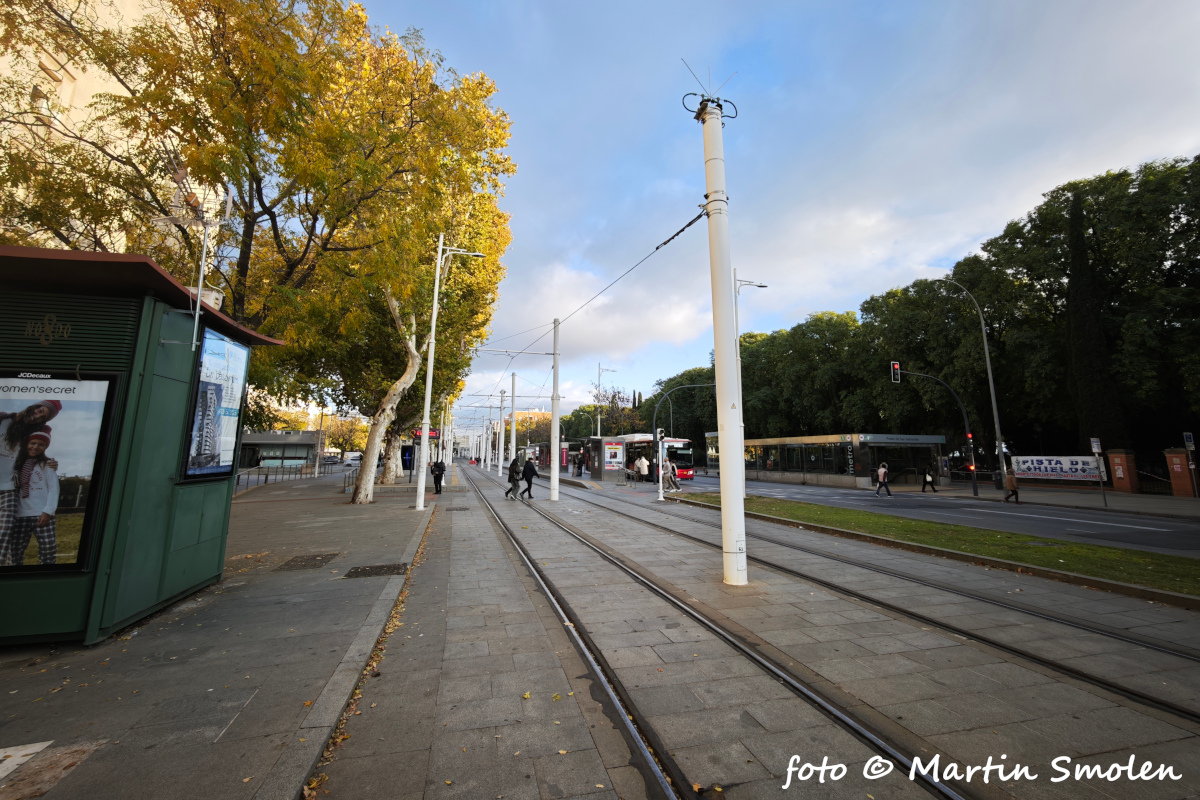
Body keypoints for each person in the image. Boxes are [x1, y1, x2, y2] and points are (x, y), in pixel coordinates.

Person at [0, 400, 60, 564]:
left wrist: (50, 462)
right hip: (19, 508)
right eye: (40, 410)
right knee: (14, 547)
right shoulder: (4, 419)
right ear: (34, 406)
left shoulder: (41, 461)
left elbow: (40, 441)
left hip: (9, 489)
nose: (38, 415)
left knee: (5, 531)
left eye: (43, 417)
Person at [10, 428, 58, 566]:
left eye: (41, 444)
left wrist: (48, 511)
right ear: (27, 444)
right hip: (19, 514)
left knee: (48, 549)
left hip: (41, 514)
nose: (35, 447)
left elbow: (54, 489)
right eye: (33, 443)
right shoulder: (15, 465)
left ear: (45, 447)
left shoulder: (46, 465)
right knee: (15, 551)